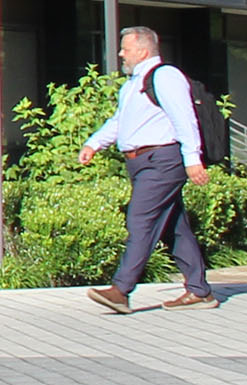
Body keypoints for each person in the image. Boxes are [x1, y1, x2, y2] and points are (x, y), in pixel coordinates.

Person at [80, 24, 217, 312]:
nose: (121, 54)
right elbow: (120, 121)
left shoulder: (165, 77)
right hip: (141, 163)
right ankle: (199, 291)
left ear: (142, 51)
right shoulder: (132, 84)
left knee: (140, 220)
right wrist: (94, 144)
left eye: (125, 49)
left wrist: (193, 159)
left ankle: (121, 289)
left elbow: (185, 118)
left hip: (162, 161)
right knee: (173, 227)